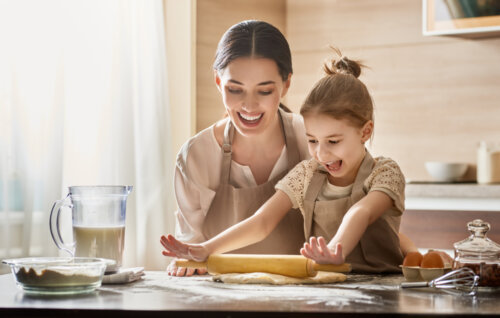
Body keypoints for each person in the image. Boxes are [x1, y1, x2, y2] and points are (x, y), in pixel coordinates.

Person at [162, 47, 417, 273]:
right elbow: (262, 221)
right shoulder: (307, 173)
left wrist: (334, 249)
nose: (321, 154)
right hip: (326, 287)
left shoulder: (385, 172)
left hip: (384, 290)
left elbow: (361, 212)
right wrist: (207, 248)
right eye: (313, 140)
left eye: (333, 141)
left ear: (365, 131)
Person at [168, 20, 310, 276]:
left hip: (306, 300)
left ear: (286, 84)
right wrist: (186, 263)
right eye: (235, 89)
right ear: (218, 82)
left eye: (264, 91)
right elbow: (192, 249)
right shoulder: (197, 156)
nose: (249, 105)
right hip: (222, 302)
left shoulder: (310, 139)